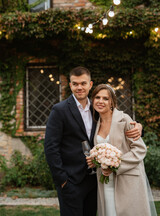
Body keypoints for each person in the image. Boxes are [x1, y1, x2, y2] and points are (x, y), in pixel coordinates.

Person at [44, 66, 143, 216]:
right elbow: (51, 147)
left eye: (83, 83)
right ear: (70, 85)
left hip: (95, 182)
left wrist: (139, 126)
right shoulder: (60, 110)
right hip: (71, 182)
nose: (79, 87)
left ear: (90, 85)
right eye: (75, 84)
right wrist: (62, 180)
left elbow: (116, 121)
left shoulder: (97, 109)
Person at [87, 84, 157, 216]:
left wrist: (115, 166)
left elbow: (140, 149)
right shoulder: (95, 123)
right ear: (93, 100)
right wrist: (94, 160)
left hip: (126, 180)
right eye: (97, 97)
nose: (101, 101)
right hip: (105, 181)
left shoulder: (124, 120)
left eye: (105, 98)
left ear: (112, 102)